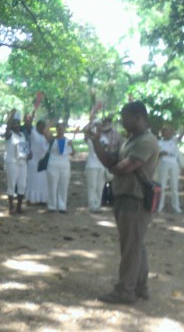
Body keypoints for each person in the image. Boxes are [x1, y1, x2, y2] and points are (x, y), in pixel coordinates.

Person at [88, 101, 159, 305]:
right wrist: (95, 141)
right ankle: (140, 287)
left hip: (135, 200)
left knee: (131, 247)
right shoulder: (130, 141)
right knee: (135, 245)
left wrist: (114, 165)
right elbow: (111, 161)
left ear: (138, 117)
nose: (121, 121)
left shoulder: (147, 141)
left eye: (125, 117)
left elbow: (121, 168)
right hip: (125, 197)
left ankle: (125, 291)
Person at [4, 111, 29, 214]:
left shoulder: (22, 134)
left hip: (23, 162)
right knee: (11, 184)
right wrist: (11, 117)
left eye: (18, 123)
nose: (16, 125)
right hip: (12, 162)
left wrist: (28, 154)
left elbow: (24, 148)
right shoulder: (9, 135)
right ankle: (11, 207)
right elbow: (7, 130)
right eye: (14, 123)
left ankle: (19, 206)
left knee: (22, 185)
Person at [46, 123, 74, 214]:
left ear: (64, 130)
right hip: (53, 163)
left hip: (64, 164)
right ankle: (52, 206)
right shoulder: (52, 139)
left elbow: (73, 153)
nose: (60, 130)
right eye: (59, 128)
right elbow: (45, 131)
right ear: (56, 129)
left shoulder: (68, 140)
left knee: (64, 185)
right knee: (52, 185)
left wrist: (71, 145)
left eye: (62, 129)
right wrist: (50, 123)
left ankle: (62, 206)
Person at [156, 125, 181, 214]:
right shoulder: (159, 142)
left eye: (169, 131)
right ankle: (159, 206)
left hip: (173, 164)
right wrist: (161, 153)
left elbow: (180, 135)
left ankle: (176, 206)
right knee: (161, 186)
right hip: (163, 163)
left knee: (174, 186)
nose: (168, 133)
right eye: (166, 131)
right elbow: (156, 154)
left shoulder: (174, 141)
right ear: (162, 133)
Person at [84, 119, 107, 213]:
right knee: (92, 186)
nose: (99, 127)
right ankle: (92, 205)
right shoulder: (90, 138)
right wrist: (90, 121)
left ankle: (97, 205)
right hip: (91, 165)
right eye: (96, 126)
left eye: (100, 125)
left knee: (100, 186)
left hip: (101, 165)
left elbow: (106, 149)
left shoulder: (104, 139)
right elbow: (85, 131)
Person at [26, 120, 49, 204]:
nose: (43, 127)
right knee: (32, 181)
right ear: (37, 126)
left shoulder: (45, 136)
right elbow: (28, 127)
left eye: (44, 126)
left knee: (43, 181)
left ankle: (42, 199)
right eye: (41, 126)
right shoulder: (33, 133)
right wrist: (31, 117)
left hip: (43, 162)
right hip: (33, 160)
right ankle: (31, 199)